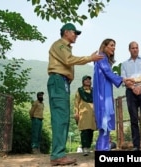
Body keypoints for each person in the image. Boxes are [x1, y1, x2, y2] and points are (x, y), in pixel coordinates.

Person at [47, 23, 103, 166]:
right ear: (66, 32)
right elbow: (69, 61)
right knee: (60, 118)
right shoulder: (59, 45)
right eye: (74, 33)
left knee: (63, 118)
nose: (76, 35)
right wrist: (90, 58)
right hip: (58, 81)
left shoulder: (65, 47)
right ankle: (57, 155)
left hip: (63, 82)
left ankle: (59, 154)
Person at [93, 38, 127, 151]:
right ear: (105, 46)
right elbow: (108, 73)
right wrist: (123, 79)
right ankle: (103, 150)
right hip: (103, 94)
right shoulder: (101, 57)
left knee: (105, 125)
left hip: (104, 93)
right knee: (105, 122)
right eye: (111, 45)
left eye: (114, 45)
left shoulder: (102, 59)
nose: (114, 47)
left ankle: (101, 148)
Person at [121, 41, 141, 151]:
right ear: (129, 50)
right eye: (133, 48)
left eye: (137, 48)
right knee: (133, 120)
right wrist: (133, 88)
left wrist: (140, 87)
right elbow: (124, 79)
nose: (135, 49)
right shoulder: (124, 64)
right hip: (130, 92)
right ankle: (136, 146)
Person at [74, 75, 96, 156]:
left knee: (91, 130)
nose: (88, 81)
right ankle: (84, 147)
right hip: (83, 114)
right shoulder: (80, 90)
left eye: (89, 80)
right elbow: (76, 102)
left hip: (92, 114)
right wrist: (76, 112)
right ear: (83, 81)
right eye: (86, 80)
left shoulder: (93, 90)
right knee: (84, 131)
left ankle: (88, 147)